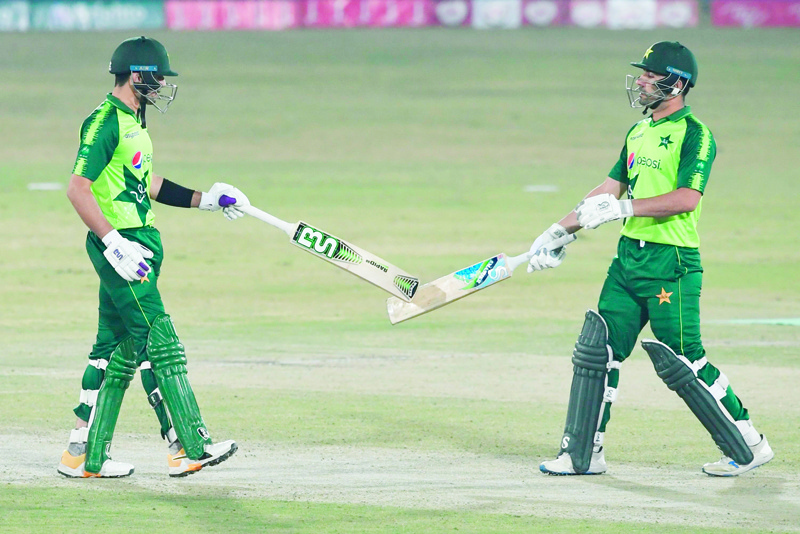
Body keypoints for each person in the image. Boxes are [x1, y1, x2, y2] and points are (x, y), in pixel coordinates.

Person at [527, 41, 773, 477]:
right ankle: (582, 455)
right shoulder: (637, 132)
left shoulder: (695, 133)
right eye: (640, 74)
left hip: (671, 263)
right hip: (628, 259)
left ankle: (748, 444)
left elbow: (686, 197)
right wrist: (557, 232)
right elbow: (607, 190)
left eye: (649, 74)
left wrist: (623, 210)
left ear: (675, 83)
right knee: (597, 351)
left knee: (683, 359)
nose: (640, 81)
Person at [57, 36, 247, 478]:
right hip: (125, 248)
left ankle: (85, 456)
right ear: (136, 75)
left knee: (116, 348)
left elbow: (146, 182)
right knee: (160, 338)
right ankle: (190, 446)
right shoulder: (105, 121)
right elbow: (77, 189)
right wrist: (113, 243)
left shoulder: (134, 121)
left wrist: (206, 199)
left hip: (137, 239)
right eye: (157, 76)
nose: (162, 84)